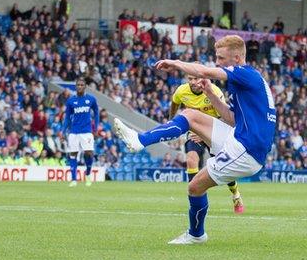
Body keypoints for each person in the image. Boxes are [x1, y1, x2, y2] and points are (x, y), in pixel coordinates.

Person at [113, 35, 276, 244]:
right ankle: (139, 140)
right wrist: (209, 91)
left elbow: (203, 70)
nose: (218, 62)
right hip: (239, 137)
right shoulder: (247, 80)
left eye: (221, 58)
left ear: (236, 58)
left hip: (247, 151)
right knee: (190, 114)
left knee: (195, 187)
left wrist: (175, 63)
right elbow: (232, 119)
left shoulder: (244, 74)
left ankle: (196, 235)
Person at [170, 75, 243, 214]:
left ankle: (235, 194)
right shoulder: (181, 91)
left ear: (203, 78)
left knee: (224, 167)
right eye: (190, 78)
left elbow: (224, 117)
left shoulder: (214, 91)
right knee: (191, 160)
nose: (192, 82)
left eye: (195, 78)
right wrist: (171, 122)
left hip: (214, 132)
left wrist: (205, 132)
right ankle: (195, 199)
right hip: (194, 133)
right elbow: (174, 103)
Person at [63, 78, 99, 187]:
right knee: (73, 154)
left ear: (85, 86)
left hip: (87, 131)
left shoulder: (91, 99)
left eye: (81, 85)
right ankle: (74, 179)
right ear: (75, 86)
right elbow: (67, 118)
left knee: (89, 152)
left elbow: (96, 113)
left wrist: (96, 129)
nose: (79, 86)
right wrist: (62, 130)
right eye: (78, 85)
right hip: (74, 131)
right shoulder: (70, 101)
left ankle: (87, 174)